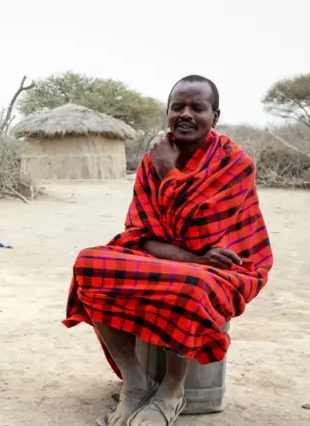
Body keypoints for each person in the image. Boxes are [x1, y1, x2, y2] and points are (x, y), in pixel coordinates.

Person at [63, 75, 273, 426]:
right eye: (178, 107)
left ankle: (172, 391)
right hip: (180, 259)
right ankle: (135, 381)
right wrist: (192, 258)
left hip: (230, 268)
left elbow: (200, 233)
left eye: (198, 108)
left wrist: (168, 172)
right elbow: (140, 235)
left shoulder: (236, 164)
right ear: (168, 113)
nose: (186, 114)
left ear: (215, 116)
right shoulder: (151, 162)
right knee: (90, 263)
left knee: (191, 284)